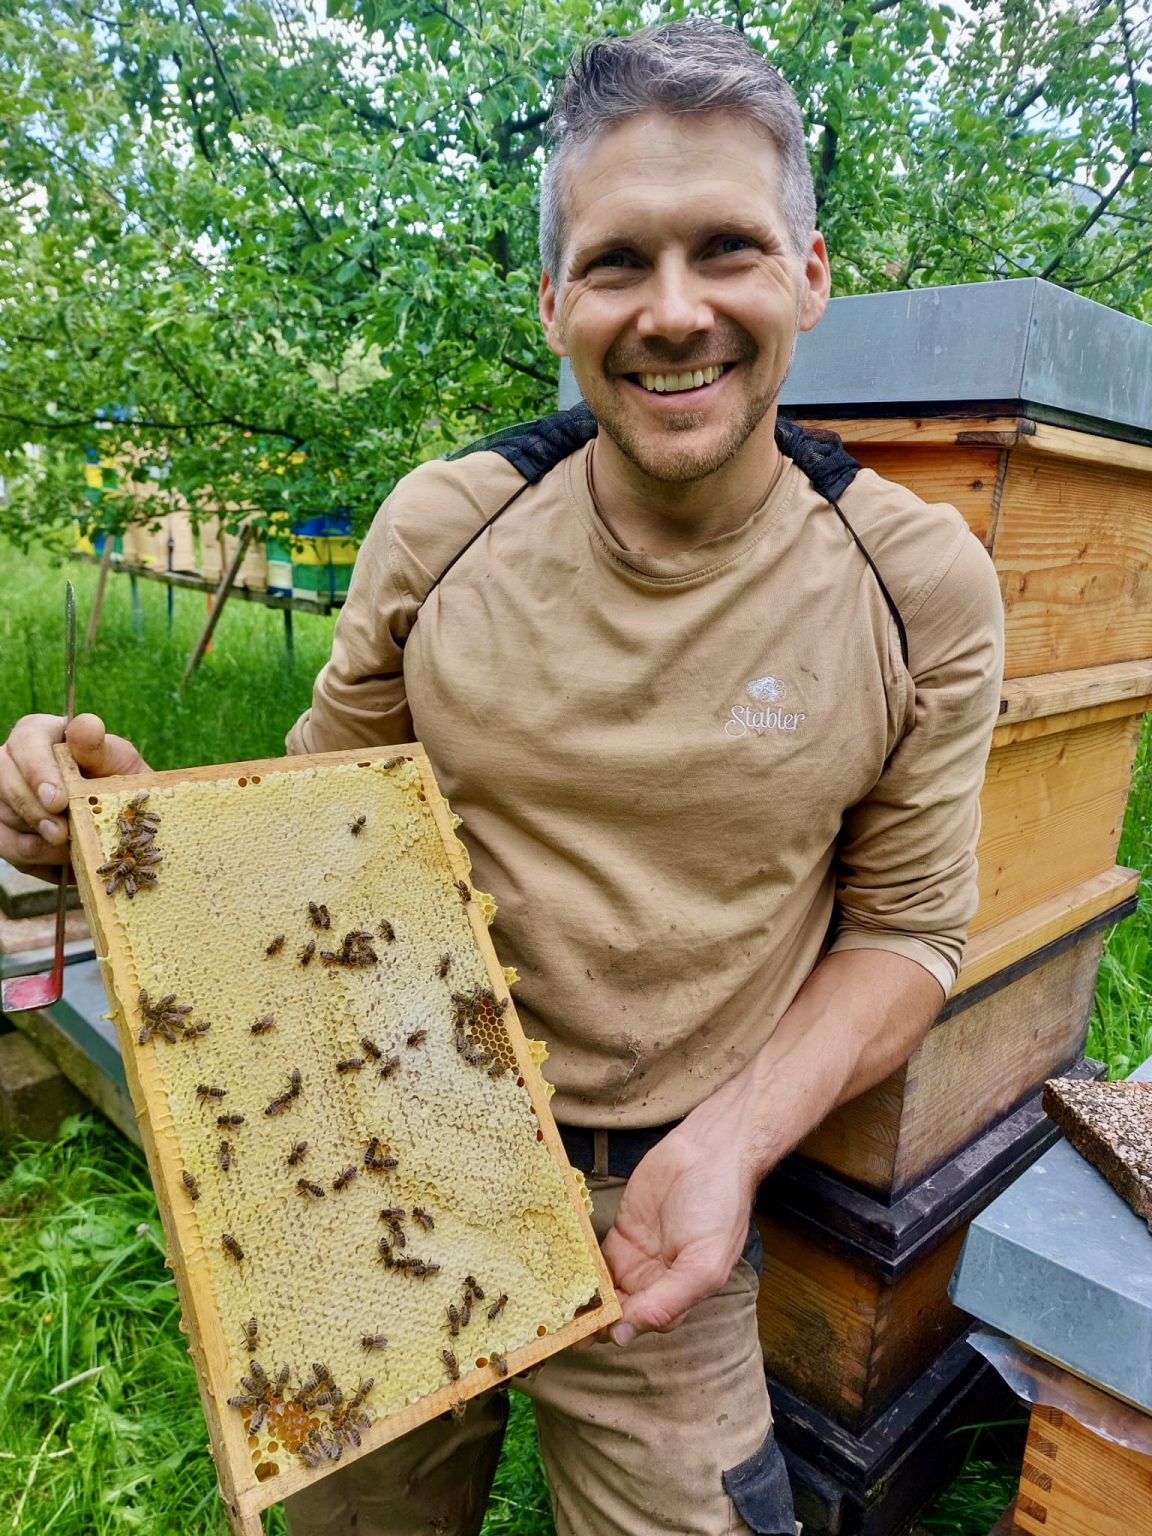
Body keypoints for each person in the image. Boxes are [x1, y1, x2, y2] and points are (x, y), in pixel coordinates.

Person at [0, 22, 1004, 1536]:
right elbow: (311, 829)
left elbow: (913, 932)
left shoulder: (916, 579)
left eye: (725, 248)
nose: (674, 311)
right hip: (374, 1147)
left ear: (806, 273)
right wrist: (118, 816)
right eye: (616, 262)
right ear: (555, 301)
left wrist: (728, 1150)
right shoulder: (443, 526)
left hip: (670, 1210)